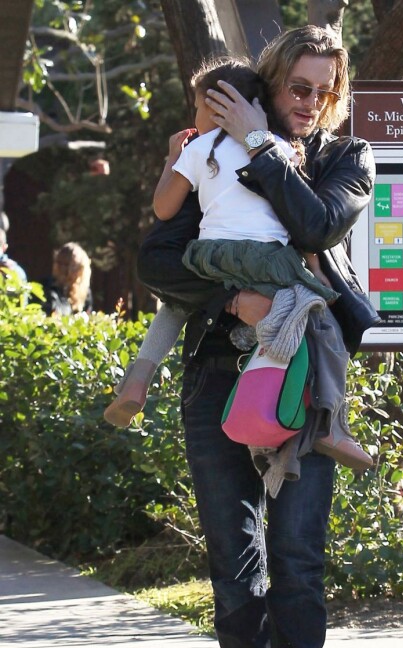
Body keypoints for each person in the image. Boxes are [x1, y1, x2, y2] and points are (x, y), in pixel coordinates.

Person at [137, 26, 380, 648]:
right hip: (217, 369)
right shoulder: (215, 152)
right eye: (297, 88)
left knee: (298, 554)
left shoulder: (343, 158)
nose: (310, 103)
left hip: (299, 375)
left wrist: (264, 145)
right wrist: (236, 296)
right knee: (233, 557)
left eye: (323, 91)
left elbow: (315, 222)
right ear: (270, 84)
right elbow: (157, 255)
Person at [104, 59, 371, 475]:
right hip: (265, 259)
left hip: (208, 256)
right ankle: (330, 423)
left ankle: (139, 376)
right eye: (299, 89)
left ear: (217, 108)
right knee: (318, 318)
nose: (313, 102)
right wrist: (315, 276)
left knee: (175, 303)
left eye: (196, 109)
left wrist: (173, 161)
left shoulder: (197, 150)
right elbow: (302, 229)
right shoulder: (278, 151)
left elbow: (163, 207)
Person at [40, 242, 93, 316]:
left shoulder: (85, 294)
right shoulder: (46, 288)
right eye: (60, 263)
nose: (64, 270)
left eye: (70, 265)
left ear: (81, 269)